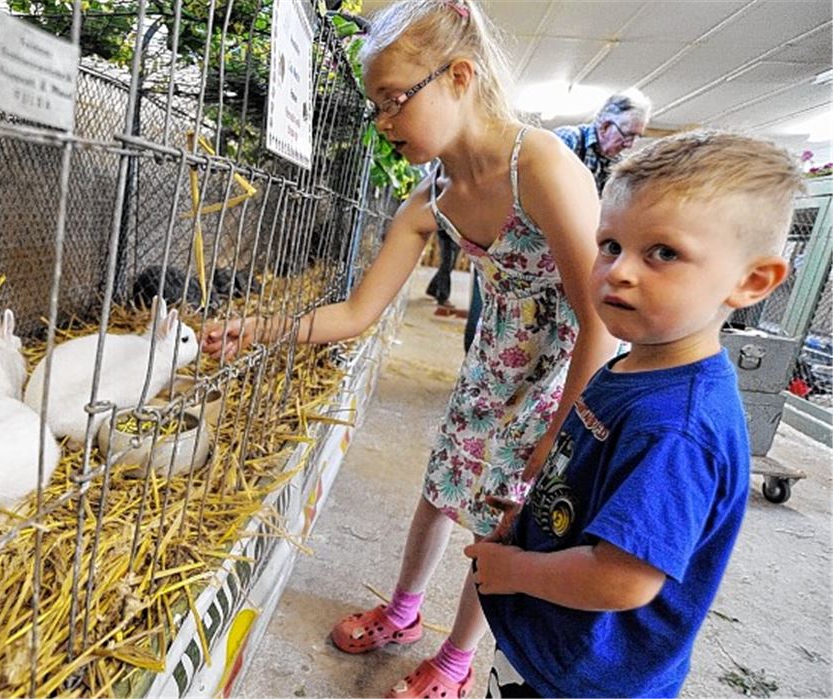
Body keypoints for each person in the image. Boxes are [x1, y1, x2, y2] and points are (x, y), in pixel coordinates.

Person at [201, 0, 619, 695]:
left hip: (560, 378)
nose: (384, 121)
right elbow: (357, 312)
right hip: (492, 365)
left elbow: (598, 321)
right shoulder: (433, 198)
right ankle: (403, 610)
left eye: (395, 100)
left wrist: (560, 431)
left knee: (503, 522)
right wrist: (259, 328)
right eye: (377, 106)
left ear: (459, 76)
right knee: (440, 489)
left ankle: (457, 658)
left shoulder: (541, 165)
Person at [467, 131, 801, 697]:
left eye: (663, 253)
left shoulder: (678, 428)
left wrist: (512, 571)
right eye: (610, 244)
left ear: (751, 281)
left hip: (584, 678)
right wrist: (531, 523)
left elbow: (622, 579)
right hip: (551, 643)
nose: (619, 271)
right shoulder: (632, 367)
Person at [553, 89, 653, 195]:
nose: (629, 145)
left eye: (636, 137)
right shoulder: (569, 139)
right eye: (627, 135)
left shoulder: (619, 164)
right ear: (605, 127)